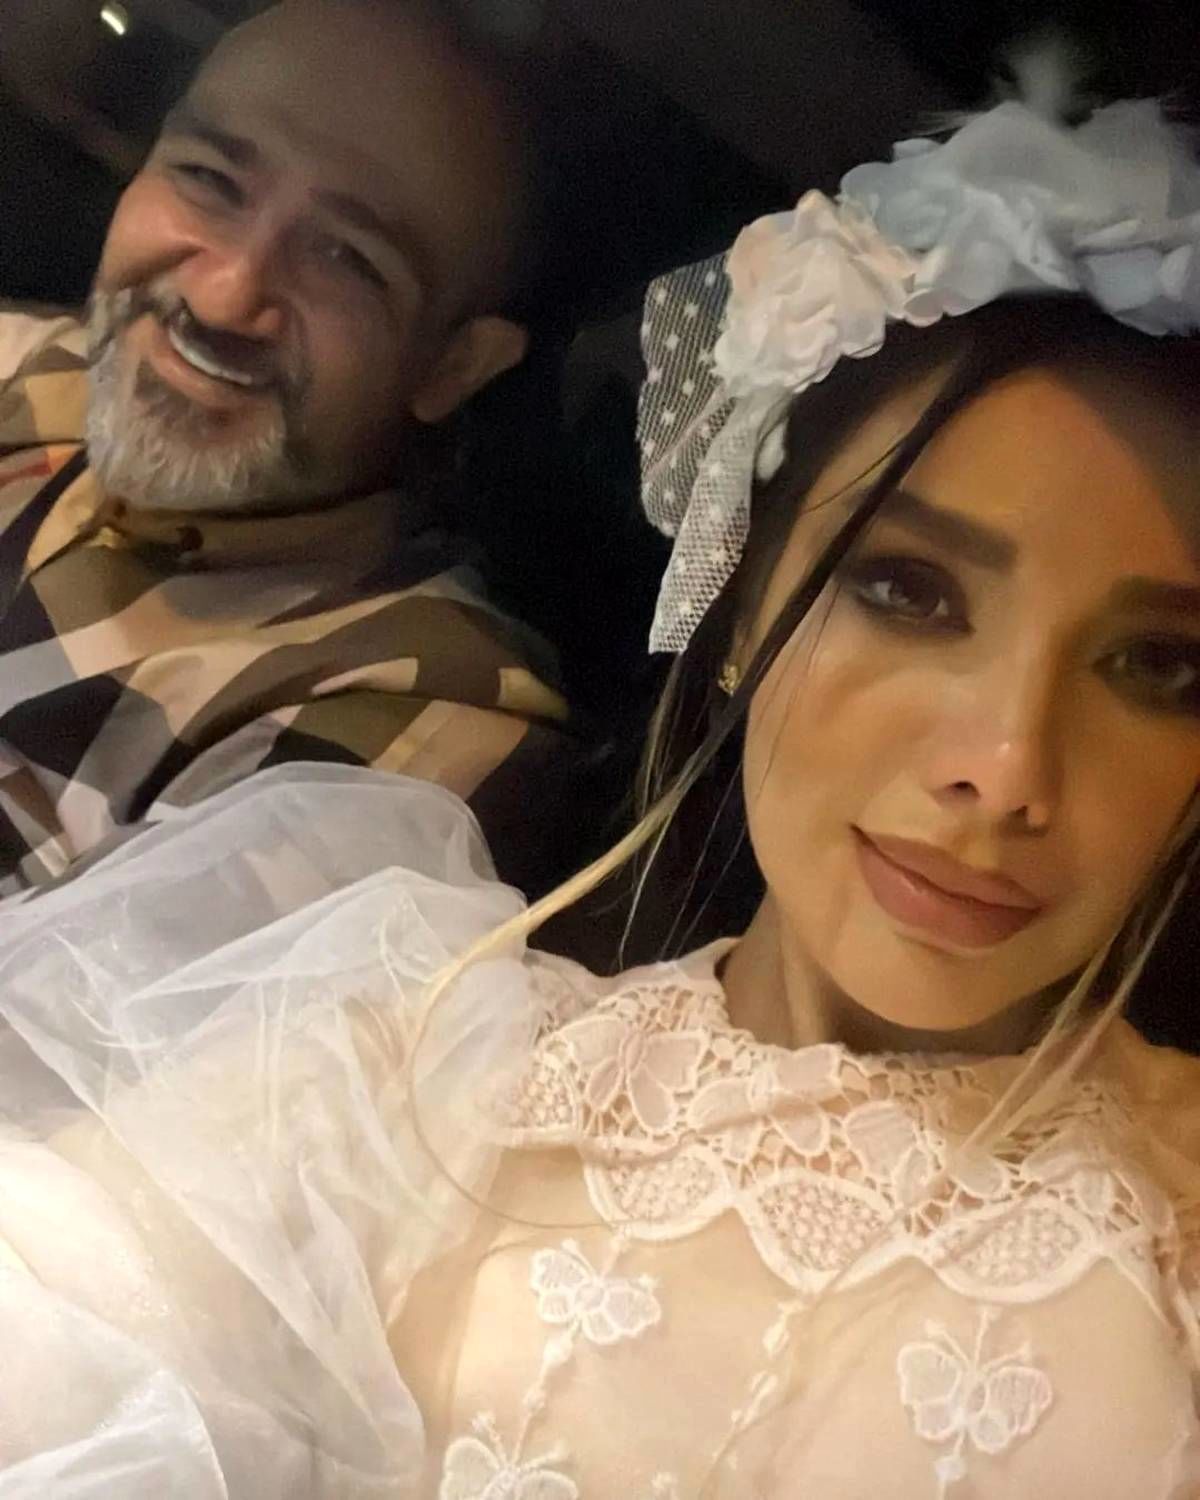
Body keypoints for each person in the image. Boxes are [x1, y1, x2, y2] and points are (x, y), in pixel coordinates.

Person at [3, 75, 1200, 1499]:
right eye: (907, 589)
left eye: (1159, 667)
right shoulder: (394, 1071)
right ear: (741, 603)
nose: (1003, 773)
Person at [0, 0, 575, 897]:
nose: (226, 295)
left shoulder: (416, 712)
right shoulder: (45, 371)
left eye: (349, 258)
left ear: (453, 366)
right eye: (209, 179)